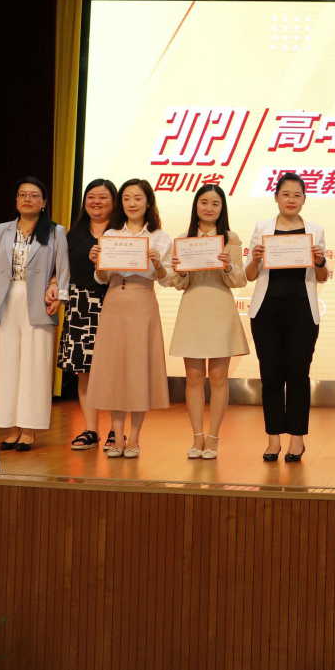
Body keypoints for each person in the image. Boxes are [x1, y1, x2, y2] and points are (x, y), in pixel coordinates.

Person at [86, 179, 172, 459]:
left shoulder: (161, 237)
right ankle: (117, 436)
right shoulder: (111, 234)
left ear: (148, 202)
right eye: (126, 198)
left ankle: (134, 437)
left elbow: (168, 280)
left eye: (137, 198)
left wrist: (158, 264)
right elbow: (101, 278)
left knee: (138, 369)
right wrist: (98, 262)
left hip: (143, 302)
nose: (132, 204)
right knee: (114, 371)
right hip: (114, 303)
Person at [246, 172, 329, 462]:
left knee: (298, 375)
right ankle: (273, 439)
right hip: (266, 310)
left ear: (304, 199)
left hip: (302, 310)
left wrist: (320, 261)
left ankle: (296, 439)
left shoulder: (315, 230)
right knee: (270, 376)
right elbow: (249, 275)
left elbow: (322, 276)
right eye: (286, 194)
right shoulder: (263, 227)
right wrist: (256, 258)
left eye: (297, 195)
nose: (291, 200)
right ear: (276, 197)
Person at [0, 177, 69, 452]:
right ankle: (11, 428)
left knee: (35, 364)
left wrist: (60, 296)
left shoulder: (55, 231)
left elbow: (63, 267)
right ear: (16, 200)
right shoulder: (3, 229)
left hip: (39, 301)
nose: (27, 199)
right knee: (6, 364)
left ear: (44, 202)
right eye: (22, 194)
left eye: (34, 195)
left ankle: (29, 428)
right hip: (7, 299)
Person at [167, 183, 248, 460]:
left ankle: (213, 437)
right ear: (196, 206)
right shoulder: (184, 238)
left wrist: (227, 266)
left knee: (218, 377)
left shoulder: (230, 237)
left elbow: (239, 280)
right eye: (204, 202)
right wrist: (179, 271)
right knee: (193, 378)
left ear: (222, 208)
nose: (209, 208)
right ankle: (197, 438)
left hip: (220, 306)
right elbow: (177, 283)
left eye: (215, 203)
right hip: (192, 307)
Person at [59, 179, 118, 451]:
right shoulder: (75, 232)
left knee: (115, 369)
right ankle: (91, 429)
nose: (96, 202)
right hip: (80, 303)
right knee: (83, 370)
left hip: (113, 301)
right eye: (91, 196)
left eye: (103, 197)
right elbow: (62, 268)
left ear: (113, 202)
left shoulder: (121, 232)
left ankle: (117, 430)